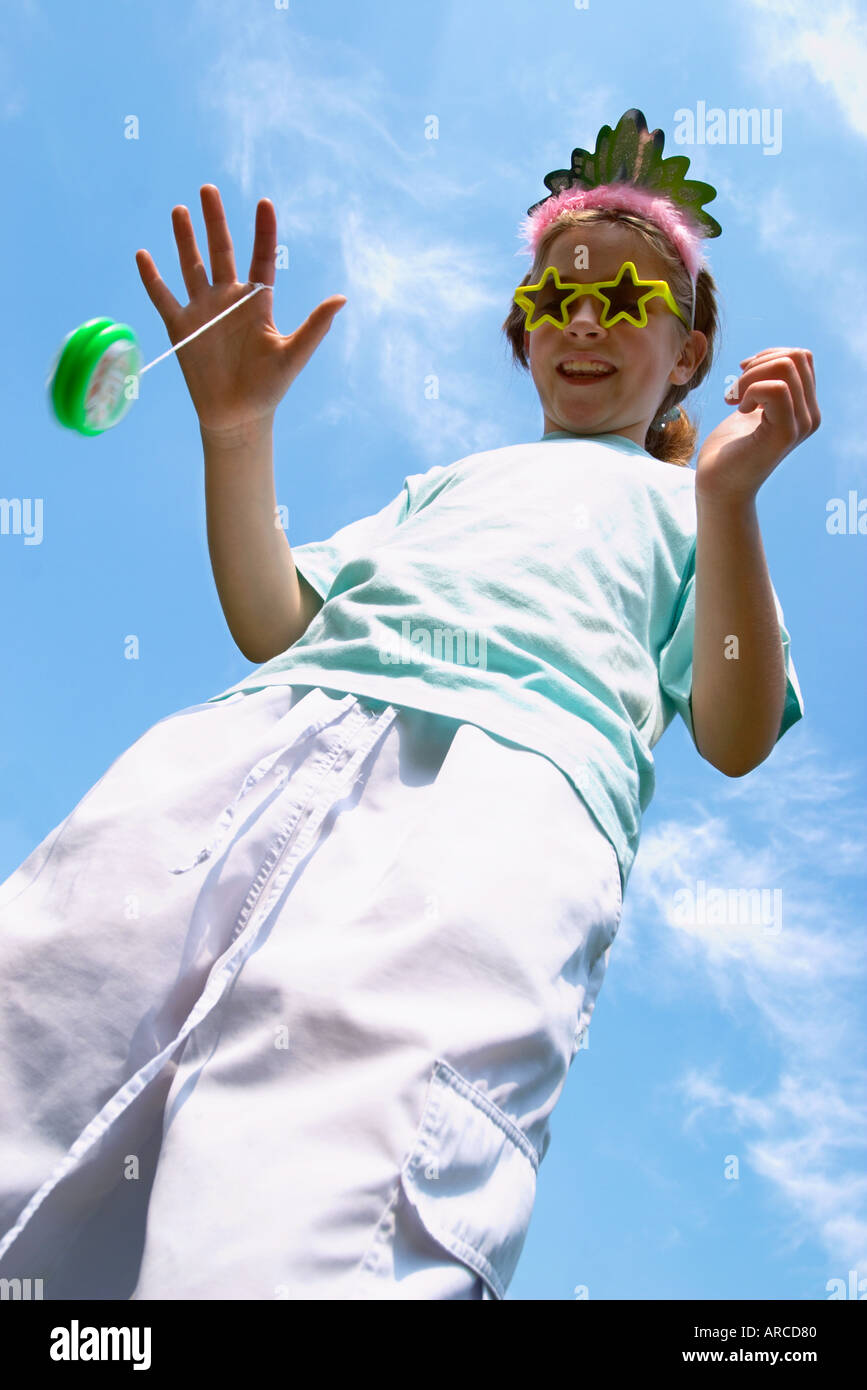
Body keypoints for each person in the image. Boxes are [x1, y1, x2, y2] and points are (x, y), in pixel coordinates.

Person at [0, 110, 817, 1301]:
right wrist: (238, 432)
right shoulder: (446, 482)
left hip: (499, 798)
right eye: (555, 297)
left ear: (687, 352)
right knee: (43, 1011)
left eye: (628, 296)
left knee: (321, 1183)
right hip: (257, 735)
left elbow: (735, 734)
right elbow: (279, 617)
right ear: (524, 335)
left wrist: (731, 502)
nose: (583, 315)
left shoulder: (692, 503)